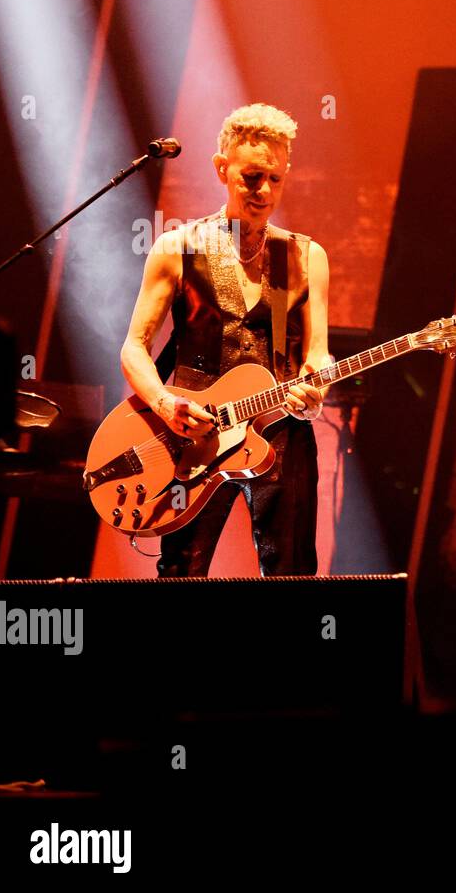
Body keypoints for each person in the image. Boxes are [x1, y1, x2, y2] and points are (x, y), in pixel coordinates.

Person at [119, 103, 330, 577]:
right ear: (221, 168)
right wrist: (164, 404)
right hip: (194, 437)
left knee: (293, 576)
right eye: (252, 176)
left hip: (281, 435)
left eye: (275, 179)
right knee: (181, 573)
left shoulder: (305, 256)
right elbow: (134, 347)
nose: (264, 191)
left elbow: (318, 355)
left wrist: (314, 393)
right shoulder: (177, 247)